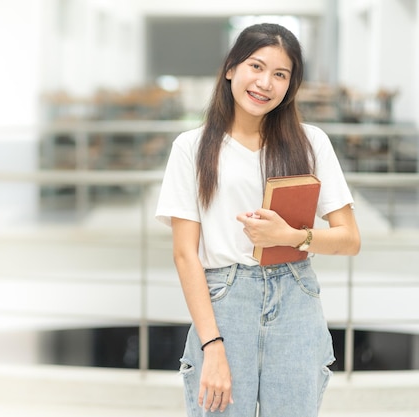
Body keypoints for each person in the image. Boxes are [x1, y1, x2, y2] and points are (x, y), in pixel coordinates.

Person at [155, 23, 361, 417]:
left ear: (290, 86)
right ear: (231, 68)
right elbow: (185, 255)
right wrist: (211, 344)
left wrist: (291, 235)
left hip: (295, 298)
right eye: (256, 66)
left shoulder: (311, 142)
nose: (265, 82)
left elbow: (349, 239)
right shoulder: (192, 148)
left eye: (280, 74)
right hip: (224, 302)